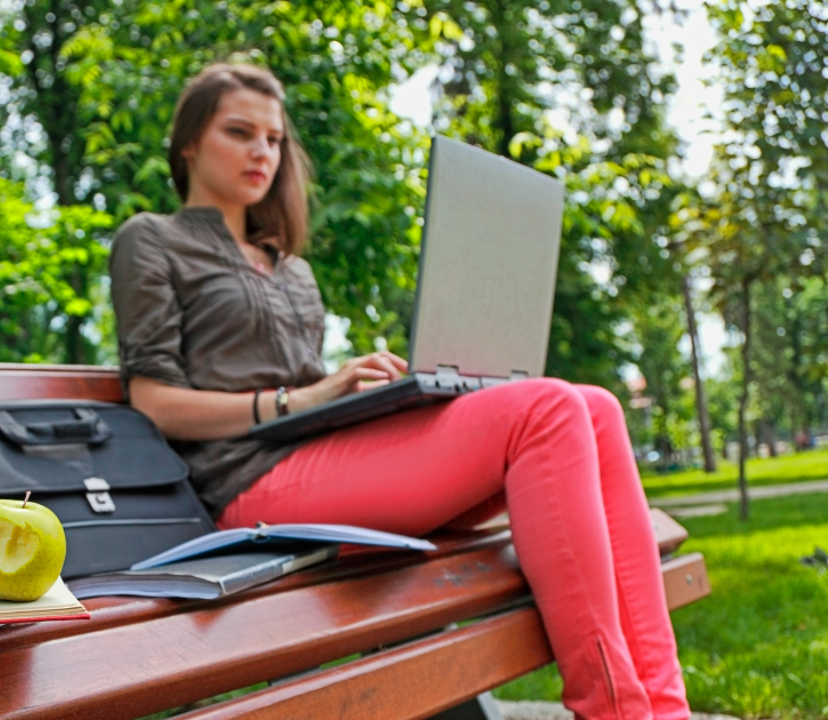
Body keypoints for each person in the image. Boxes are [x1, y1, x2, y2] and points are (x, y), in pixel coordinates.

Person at [108, 63, 691, 720]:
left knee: (596, 405)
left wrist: (364, 391)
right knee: (549, 408)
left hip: (322, 459)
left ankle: (664, 710)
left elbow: (309, 387)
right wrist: (302, 399)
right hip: (247, 486)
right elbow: (153, 402)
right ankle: (615, 711)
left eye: (274, 139)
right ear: (189, 143)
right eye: (239, 132)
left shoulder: (290, 267)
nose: (261, 152)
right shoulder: (151, 240)